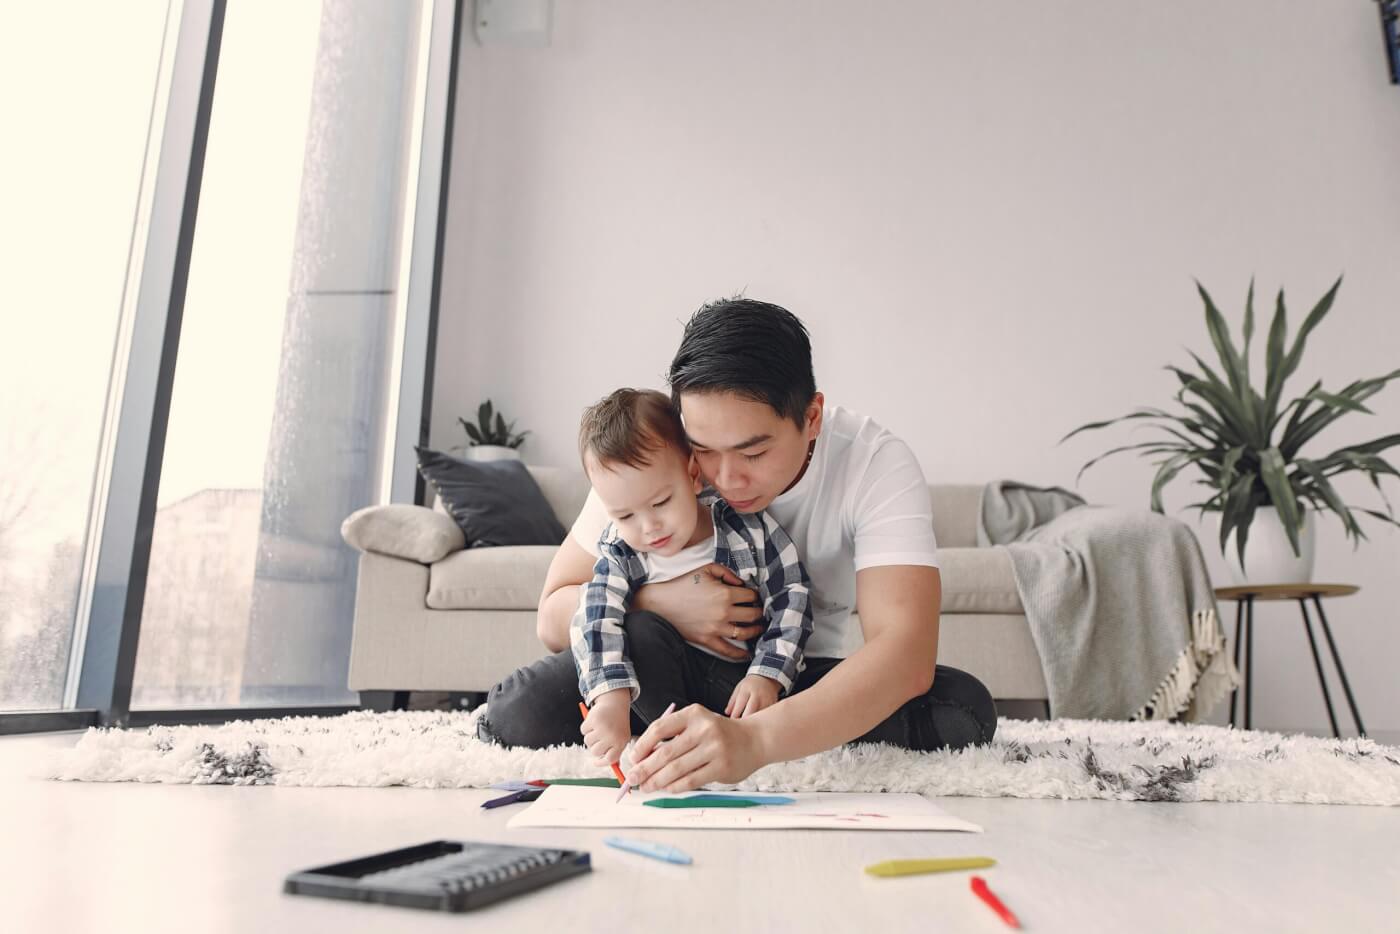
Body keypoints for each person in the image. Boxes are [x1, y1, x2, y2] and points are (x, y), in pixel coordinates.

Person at [481, 298, 997, 792]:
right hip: (653, 657)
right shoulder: (655, 455)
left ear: (811, 417)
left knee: (963, 710)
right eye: (704, 451)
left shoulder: (874, 464)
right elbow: (552, 620)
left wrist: (755, 742)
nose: (725, 478)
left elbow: (905, 654)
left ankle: (708, 735)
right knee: (517, 711)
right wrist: (664, 602)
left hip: (780, 678)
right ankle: (674, 731)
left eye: (754, 452)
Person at [563, 388, 813, 769]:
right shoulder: (622, 551)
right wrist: (610, 698)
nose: (649, 528)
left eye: (661, 503)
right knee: (638, 631)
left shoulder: (746, 530)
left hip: (735, 686)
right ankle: (660, 732)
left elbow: (792, 597)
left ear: (693, 475)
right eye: (625, 516)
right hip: (656, 685)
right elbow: (594, 616)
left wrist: (768, 677)